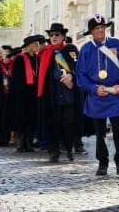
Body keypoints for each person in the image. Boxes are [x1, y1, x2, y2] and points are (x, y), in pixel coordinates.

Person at [76, 14, 119, 176]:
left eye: (102, 27)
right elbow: (81, 76)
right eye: (96, 28)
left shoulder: (116, 44)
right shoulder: (86, 49)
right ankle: (102, 163)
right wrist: (94, 89)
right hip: (97, 95)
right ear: (91, 32)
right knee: (100, 133)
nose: (100, 30)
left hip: (116, 94)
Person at [37, 23, 80, 163]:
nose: (54, 37)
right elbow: (43, 74)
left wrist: (72, 76)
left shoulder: (71, 50)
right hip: (52, 94)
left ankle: (68, 149)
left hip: (68, 94)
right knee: (52, 124)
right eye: (51, 35)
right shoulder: (45, 53)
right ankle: (53, 151)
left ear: (63, 36)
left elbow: (79, 67)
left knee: (69, 124)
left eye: (57, 35)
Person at [11, 36, 39, 152]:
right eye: (35, 44)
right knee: (22, 117)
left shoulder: (38, 59)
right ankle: (21, 142)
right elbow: (16, 78)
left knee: (32, 118)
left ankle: (29, 141)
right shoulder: (20, 59)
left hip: (34, 93)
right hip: (23, 93)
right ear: (29, 46)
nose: (38, 46)